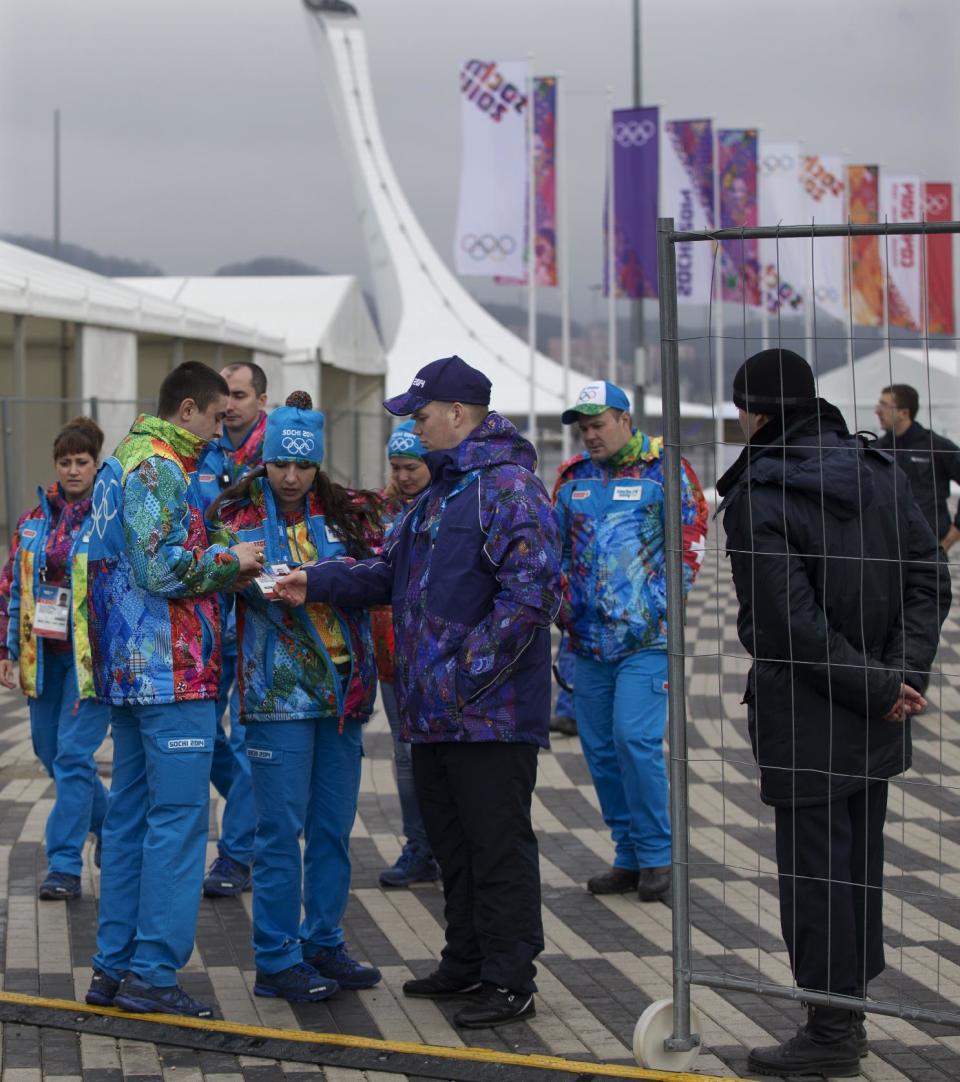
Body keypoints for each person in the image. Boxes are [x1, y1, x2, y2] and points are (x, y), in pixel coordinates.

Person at [275, 355, 562, 1028]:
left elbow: (532, 595)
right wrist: (312, 581)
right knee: (454, 845)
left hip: (488, 716)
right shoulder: (439, 492)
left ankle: (509, 976)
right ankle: (466, 960)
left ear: (458, 415)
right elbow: (388, 572)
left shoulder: (510, 488)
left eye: (420, 412)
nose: (412, 422)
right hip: (432, 712)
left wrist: (465, 677)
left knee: (497, 845)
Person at [718, 349, 950, 1076]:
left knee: (816, 877)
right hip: (874, 712)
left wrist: (886, 685)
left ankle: (830, 1029)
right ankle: (843, 1015)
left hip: (812, 713)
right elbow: (927, 577)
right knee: (857, 867)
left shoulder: (762, 492)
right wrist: (899, 676)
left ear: (755, 412)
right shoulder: (879, 472)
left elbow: (786, 625)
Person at [84, 361, 264, 1017]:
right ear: (187, 409)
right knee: (180, 826)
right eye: (218, 417)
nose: (223, 430)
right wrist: (233, 560)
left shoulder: (129, 458)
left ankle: (113, 968)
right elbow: (163, 567)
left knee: (131, 819)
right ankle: (154, 973)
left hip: (135, 672)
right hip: (171, 671)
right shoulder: (157, 466)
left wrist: (214, 542)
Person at [210, 391, 384, 1002]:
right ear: (266, 459)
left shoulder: (349, 516)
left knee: (333, 830)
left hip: (343, 700)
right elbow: (218, 577)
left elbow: (380, 577)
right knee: (278, 835)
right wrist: (253, 576)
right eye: (280, 463)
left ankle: (324, 943)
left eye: (302, 465)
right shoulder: (235, 518)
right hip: (275, 699)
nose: (289, 476)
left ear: (317, 464)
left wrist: (324, 580)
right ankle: (277, 959)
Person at [553, 380, 707, 901]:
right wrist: (561, 605)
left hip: (647, 639)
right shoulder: (572, 480)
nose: (590, 436)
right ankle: (629, 855)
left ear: (624, 419)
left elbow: (690, 539)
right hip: (586, 643)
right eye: (583, 428)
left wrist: (662, 606)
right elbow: (554, 551)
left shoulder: (665, 469)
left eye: (598, 425)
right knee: (599, 749)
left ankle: (660, 857)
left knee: (634, 742)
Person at [0, 417, 110, 900]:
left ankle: (63, 865)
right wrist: (5, 651)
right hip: (42, 656)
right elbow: (10, 588)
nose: (71, 470)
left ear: (95, 465)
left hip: (92, 662)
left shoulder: (111, 519)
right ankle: (112, 827)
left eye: (80, 461)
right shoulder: (33, 521)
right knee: (52, 754)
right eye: (64, 462)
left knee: (72, 755)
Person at [196, 360, 268, 899]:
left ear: (260, 400)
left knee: (247, 738)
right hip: (203, 617)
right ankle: (257, 807)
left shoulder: (283, 456)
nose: (233, 404)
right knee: (203, 736)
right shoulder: (202, 451)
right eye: (227, 396)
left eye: (241, 394)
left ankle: (236, 854)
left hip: (259, 616)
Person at [375, 420, 440, 888]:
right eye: (396, 468)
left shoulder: (450, 507)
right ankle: (419, 846)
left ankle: (447, 843)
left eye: (412, 467)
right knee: (405, 756)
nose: (403, 476)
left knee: (439, 756)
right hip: (392, 658)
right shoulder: (377, 512)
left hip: (439, 657)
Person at [874, 383, 960, 553]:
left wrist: (954, 533)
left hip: (929, 549)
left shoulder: (936, 446)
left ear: (904, 412)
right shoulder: (877, 449)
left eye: (884, 405)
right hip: (886, 549)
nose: (877, 411)